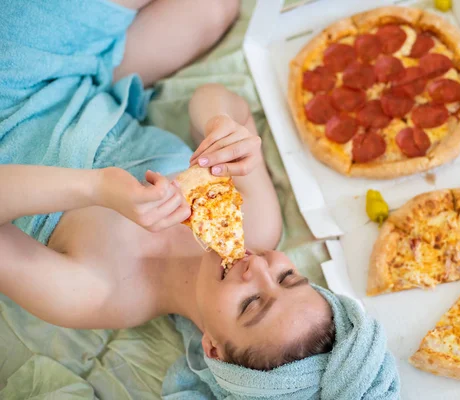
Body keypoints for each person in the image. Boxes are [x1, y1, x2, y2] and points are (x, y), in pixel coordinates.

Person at [0, 0, 400, 398]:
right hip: (94, 86)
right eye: (287, 277)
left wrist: (96, 188)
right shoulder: (258, 224)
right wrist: (221, 126)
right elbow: (220, 102)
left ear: (213, 350)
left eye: (251, 304)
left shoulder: (98, 297)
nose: (257, 266)